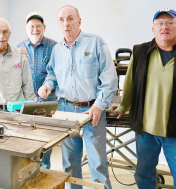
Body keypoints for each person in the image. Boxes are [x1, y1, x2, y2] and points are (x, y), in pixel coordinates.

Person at [114, 8, 176, 189]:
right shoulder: (140, 51)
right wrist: (122, 107)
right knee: (143, 175)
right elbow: (130, 84)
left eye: (170, 22)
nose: (164, 27)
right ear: (153, 29)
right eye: (159, 23)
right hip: (146, 131)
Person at [38, 5, 117, 189]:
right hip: (65, 110)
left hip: (91, 110)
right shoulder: (57, 50)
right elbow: (52, 75)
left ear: (79, 21)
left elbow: (110, 79)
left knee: (97, 163)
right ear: (58, 23)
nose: (66, 23)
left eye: (70, 18)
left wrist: (99, 106)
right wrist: (48, 85)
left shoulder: (96, 42)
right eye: (62, 19)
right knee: (70, 164)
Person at [17, 12, 57, 169]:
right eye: (32, 27)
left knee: (47, 137)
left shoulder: (54, 47)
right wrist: (16, 58)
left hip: (48, 100)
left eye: (38, 26)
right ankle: (29, 169)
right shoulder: (18, 48)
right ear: (27, 29)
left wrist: (48, 87)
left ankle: (45, 167)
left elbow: (57, 73)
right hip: (26, 101)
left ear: (44, 28)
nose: (35, 29)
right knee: (28, 136)